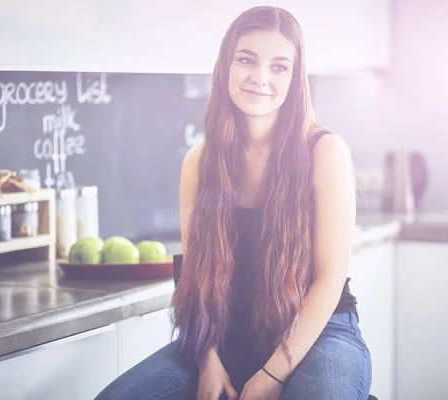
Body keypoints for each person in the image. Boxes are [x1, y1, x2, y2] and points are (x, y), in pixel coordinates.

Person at [95, 5, 372, 400]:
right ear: (226, 65)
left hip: (317, 333)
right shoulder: (200, 161)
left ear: (295, 79)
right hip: (224, 339)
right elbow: (196, 278)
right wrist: (208, 360)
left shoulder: (324, 151)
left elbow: (329, 279)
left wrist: (273, 375)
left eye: (279, 66)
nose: (261, 78)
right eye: (247, 60)